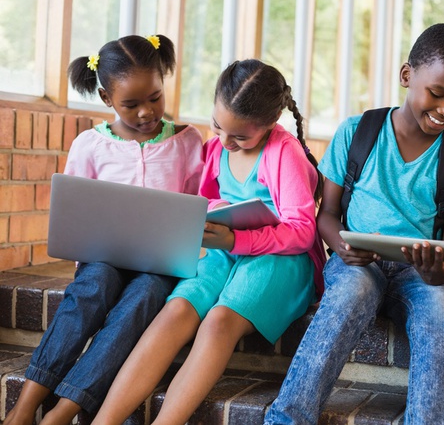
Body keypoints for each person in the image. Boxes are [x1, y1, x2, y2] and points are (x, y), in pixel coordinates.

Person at [264, 23, 444, 425]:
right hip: (356, 263)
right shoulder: (357, 133)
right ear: (406, 76)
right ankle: (287, 418)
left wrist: (440, 273)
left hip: (420, 276)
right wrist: (343, 247)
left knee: (441, 307)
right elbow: (326, 216)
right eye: (437, 94)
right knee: (352, 292)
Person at [93, 59, 325, 425]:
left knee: (218, 320)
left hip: (282, 257)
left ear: (271, 123)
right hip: (227, 249)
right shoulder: (218, 147)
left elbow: (302, 231)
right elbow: (206, 199)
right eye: (217, 126)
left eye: (241, 136)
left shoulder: (284, 152)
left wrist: (235, 238)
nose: (225, 141)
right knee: (176, 310)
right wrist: (211, 221)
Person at [4, 35, 204, 425]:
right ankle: (25, 405)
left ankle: (65, 410)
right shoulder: (90, 145)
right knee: (92, 288)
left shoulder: (187, 141)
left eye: (155, 98)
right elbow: (75, 212)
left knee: (143, 297)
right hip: (101, 258)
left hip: (159, 266)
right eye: (131, 104)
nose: (147, 112)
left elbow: (200, 203)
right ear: (106, 98)